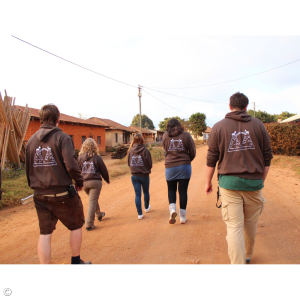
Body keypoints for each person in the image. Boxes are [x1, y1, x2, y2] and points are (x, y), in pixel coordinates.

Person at [205, 92, 273, 264]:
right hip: (254, 184)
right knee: (250, 225)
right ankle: (248, 256)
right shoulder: (259, 125)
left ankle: (238, 264)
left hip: (229, 185)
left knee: (234, 227)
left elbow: (211, 158)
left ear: (230, 106)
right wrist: (261, 181)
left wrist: (208, 182)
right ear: (246, 107)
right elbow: (267, 157)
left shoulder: (219, 127)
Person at [25, 104, 91, 264]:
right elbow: (71, 164)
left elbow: (28, 169)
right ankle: (76, 262)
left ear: (41, 119)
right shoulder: (63, 138)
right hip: (63, 194)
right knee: (75, 225)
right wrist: (79, 181)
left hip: (40, 195)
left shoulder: (31, 141)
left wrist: (35, 186)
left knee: (45, 233)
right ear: (58, 119)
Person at [162, 118, 196, 224]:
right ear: (179, 125)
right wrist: (186, 161)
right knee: (183, 191)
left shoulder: (165, 136)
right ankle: (182, 217)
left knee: (171, 189)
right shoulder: (186, 135)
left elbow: (165, 150)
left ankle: (172, 210)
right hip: (184, 166)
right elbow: (193, 151)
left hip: (170, 167)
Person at [78, 138, 110, 231]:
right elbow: (103, 170)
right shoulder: (97, 158)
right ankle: (89, 223)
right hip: (95, 182)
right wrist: (107, 179)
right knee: (92, 201)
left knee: (93, 199)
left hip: (84, 183)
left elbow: (77, 171)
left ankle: (99, 214)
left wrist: (78, 182)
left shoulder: (79, 158)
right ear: (94, 147)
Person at [127, 134, 152, 220]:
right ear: (142, 140)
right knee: (146, 192)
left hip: (134, 176)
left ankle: (140, 214)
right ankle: (146, 207)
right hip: (144, 175)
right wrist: (146, 169)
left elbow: (128, 163)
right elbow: (150, 163)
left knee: (137, 194)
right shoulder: (145, 150)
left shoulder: (130, 151)